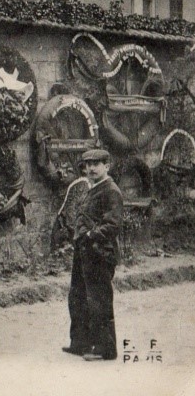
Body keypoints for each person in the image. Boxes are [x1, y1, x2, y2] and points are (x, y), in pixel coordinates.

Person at [62, 149, 123, 361]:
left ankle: (106, 349)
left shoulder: (111, 190)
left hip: (99, 253)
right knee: (77, 296)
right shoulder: (93, 188)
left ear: (107, 166)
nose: (91, 168)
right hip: (84, 252)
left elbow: (113, 225)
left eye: (96, 164)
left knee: (99, 299)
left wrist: (90, 234)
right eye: (87, 165)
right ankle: (81, 343)